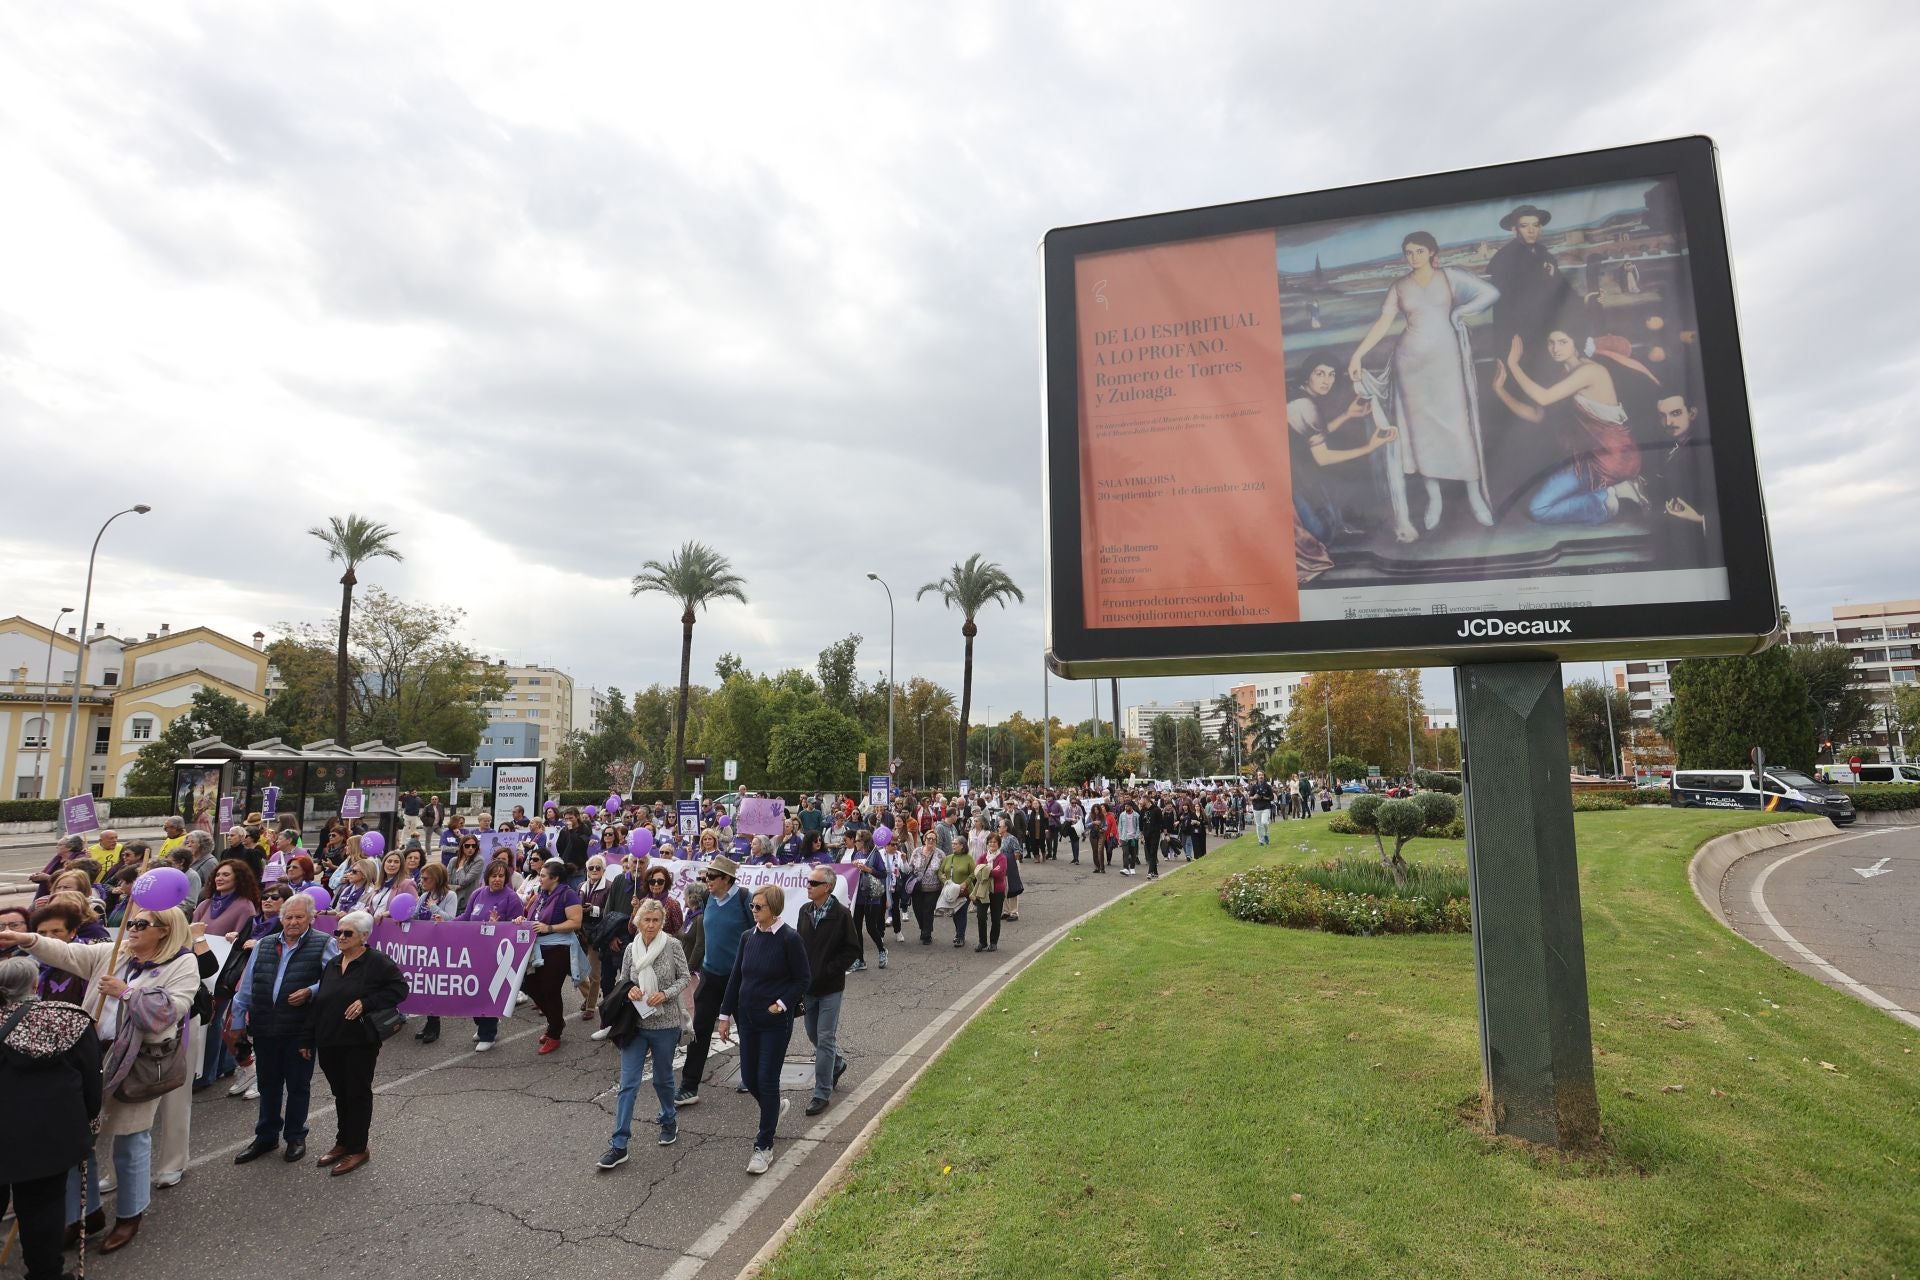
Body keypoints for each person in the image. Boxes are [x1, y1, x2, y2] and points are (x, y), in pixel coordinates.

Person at [3, 904, 199, 1255]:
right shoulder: (114, 952)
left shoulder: (182, 963)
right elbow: (67, 951)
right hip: (89, 1058)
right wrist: (27, 939)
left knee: (130, 1141)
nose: (132, 928)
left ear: (164, 930)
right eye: (132, 922)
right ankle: (85, 1214)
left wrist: (126, 992)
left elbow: (168, 1012)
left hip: (137, 1065)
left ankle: (129, 1214)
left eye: (142, 924)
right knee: (80, 1142)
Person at [1348, 230, 1501, 539]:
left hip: (1447, 364)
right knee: (1421, 434)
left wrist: (1460, 311)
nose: (1413, 257)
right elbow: (1383, 323)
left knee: (1459, 428)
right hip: (1410, 365)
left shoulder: (1450, 277)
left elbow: (1490, 294)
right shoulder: (1399, 286)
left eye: (1419, 251)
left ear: (1432, 252)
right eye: (1408, 252)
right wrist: (1358, 354)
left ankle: (1475, 497)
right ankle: (1435, 499)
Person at [0, 954, 103, 1280]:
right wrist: (89, 1123)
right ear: (35, 983)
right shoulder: (71, 1020)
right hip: (51, 1134)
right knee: (43, 1211)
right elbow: (92, 1079)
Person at [1492, 329, 1645, 525]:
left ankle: (1611, 496)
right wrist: (1499, 390)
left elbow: (1543, 398)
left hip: (1613, 459)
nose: (1555, 348)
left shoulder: (1591, 371)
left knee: (1538, 508)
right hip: (1585, 462)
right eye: (1551, 342)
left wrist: (1513, 365)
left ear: (1576, 343)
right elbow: (1536, 414)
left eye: (1563, 342)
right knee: (1539, 506)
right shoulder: (1563, 376)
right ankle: (1609, 495)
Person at [228, 893, 332, 1167]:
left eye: (299, 917)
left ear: (311, 918)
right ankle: (266, 1135)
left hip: (300, 1030)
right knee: (268, 1084)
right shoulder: (263, 944)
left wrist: (311, 991)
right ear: (281, 918)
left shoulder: (324, 943)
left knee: (298, 1086)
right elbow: (246, 986)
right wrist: (238, 1023)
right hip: (264, 1026)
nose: (293, 922)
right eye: (289, 917)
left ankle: (296, 1136)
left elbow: (336, 980)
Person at [305, 910, 407, 1177]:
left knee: (357, 1092)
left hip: (359, 1040)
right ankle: (343, 1141)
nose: (340, 937)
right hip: (329, 1038)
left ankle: (358, 1147)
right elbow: (322, 1000)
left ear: (364, 936)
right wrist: (307, 1036)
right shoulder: (333, 963)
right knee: (340, 1092)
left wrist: (366, 1002)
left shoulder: (377, 962)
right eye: (338, 932)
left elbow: (399, 990)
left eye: (347, 933)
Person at [717, 884, 810, 1175]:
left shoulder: (789, 939)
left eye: (759, 907)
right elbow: (736, 977)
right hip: (747, 1018)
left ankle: (764, 1145)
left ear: (774, 909)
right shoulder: (748, 937)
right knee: (749, 1077)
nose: (754, 911)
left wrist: (781, 1004)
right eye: (752, 907)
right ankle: (774, 1108)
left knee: (766, 1080)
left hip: (774, 1023)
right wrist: (724, 1015)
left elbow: (803, 979)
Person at [596, 899, 692, 1169]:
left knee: (663, 1080)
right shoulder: (631, 948)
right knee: (628, 1084)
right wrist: (630, 990)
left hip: (665, 1023)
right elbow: (623, 979)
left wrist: (666, 994)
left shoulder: (672, 945)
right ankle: (619, 1144)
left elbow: (684, 977)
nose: (650, 925)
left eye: (655, 920)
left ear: (662, 922)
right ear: (637, 922)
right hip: (635, 1024)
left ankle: (668, 1119)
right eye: (646, 920)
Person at [674, 855, 750, 1109]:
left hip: (738, 978)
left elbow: (758, 934)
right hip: (710, 975)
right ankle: (688, 1086)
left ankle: (750, 1076)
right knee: (700, 1030)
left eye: (711, 877)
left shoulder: (744, 900)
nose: (707, 881)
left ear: (727, 879)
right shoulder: (708, 899)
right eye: (706, 876)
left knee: (748, 1029)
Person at [1486, 204, 1577, 382]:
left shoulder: (1543, 253)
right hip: (1519, 333)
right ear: (1515, 229)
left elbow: (1559, 288)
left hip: (1546, 327)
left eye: (1535, 225)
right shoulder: (1504, 259)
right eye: (1524, 226)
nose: (1531, 230)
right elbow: (1508, 303)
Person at [796, 867, 859, 1116]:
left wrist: (831, 969)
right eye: (808, 881)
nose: (808, 885)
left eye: (814, 882)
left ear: (827, 887)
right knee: (813, 1034)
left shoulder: (841, 915)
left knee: (824, 1038)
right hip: (808, 988)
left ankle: (821, 1092)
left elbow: (852, 950)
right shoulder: (804, 911)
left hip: (831, 988)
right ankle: (839, 1062)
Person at [524, 859, 584, 1054]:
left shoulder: (568, 895)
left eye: (542, 875)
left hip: (558, 949)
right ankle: (556, 1022)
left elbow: (575, 922)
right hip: (538, 949)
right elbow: (532, 917)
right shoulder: (542, 894)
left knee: (550, 990)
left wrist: (549, 928)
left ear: (555, 878)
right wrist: (522, 920)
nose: (539, 878)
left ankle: (555, 1032)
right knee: (528, 984)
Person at [462, 861, 524, 1051]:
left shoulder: (511, 898)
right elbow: (465, 918)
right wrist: (442, 924)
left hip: (495, 955)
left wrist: (499, 926)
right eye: (493, 875)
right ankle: (482, 1025)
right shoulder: (477, 894)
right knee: (473, 991)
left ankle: (488, 1033)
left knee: (488, 993)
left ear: (506, 878)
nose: (497, 879)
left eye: (501, 876)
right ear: (487, 876)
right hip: (474, 951)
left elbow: (516, 927)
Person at [192, 859, 260, 939]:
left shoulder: (246, 907)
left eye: (226, 875)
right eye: (217, 875)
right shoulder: (205, 904)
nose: (219, 878)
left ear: (238, 878)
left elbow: (241, 940)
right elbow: (191, 934)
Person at [971, 836, 1007, 953]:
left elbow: (1000, 873)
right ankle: (982, 942)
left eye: (995, 842)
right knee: (981, 916)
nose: (992, 844)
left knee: (996, 918)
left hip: (997, 891)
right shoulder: (982, 857)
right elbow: (977, 872)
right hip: (983, 891)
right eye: (990, 842)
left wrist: (985, 870)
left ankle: (993, 942)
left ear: (999, 844)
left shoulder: (1002, 858)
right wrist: (990, 871)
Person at [906, 831, 941, 945]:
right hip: (917, 887)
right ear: (924, 839)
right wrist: (903, 861)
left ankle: (926, 935)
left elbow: (943, 870)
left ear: (936, 841)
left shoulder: (940, 854)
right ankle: (924, 928)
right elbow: (910, 867)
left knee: (928, 910)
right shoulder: (916, 851)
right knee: (917, 910)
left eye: (933, 839)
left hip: (933, 888)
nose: (931, 840)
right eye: (928, 838)